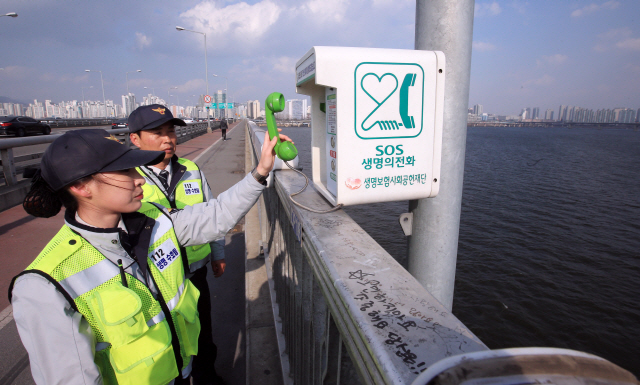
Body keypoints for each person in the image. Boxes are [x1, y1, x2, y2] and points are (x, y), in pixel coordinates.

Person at [9, 127, 289, 385]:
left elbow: (216, 215)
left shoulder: (155, 219)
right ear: (81, 187)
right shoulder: (45, 284)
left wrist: (261, 170)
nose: (139, 179)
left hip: (181, 373)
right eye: (125, 171)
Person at [128, 104, 223, 384]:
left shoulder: (191, 169)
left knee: (203, 332)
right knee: (167, 339)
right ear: (135, 139)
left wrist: (218, 252)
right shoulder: (128, 178)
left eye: (170, 131)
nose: (167, 139)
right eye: (157, 133)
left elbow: (212, 213)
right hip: (156, 281)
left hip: (195, 273)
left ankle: (208, 377)